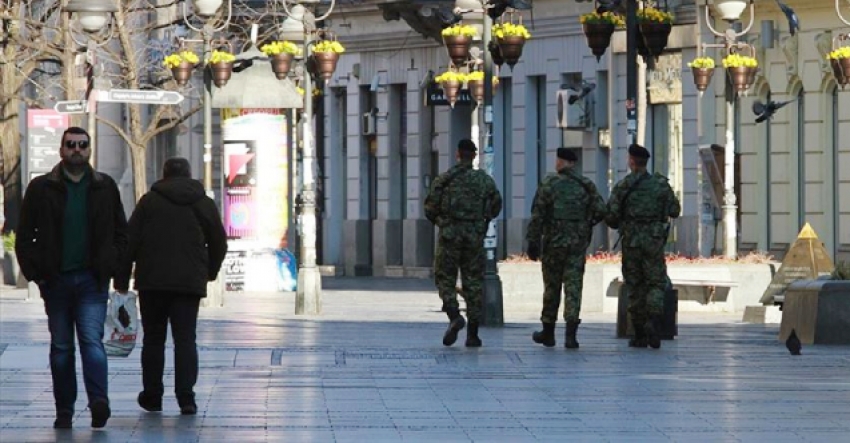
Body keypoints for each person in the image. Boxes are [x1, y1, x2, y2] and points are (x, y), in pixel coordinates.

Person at [15, 126, 127, 429]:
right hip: (56, 280)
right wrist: (36, 274)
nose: (77, 149)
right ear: (61, 149)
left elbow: (121, 232)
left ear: (89, 150)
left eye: (82, 145)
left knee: (92, 342)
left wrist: (115, 269)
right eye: (71, 145)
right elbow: (25, 236)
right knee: (62, 347)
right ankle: (64, 409)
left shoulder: (105, 186)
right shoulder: (41, 188)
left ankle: (99, 402)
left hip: (92, 280)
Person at [114, 158, 227, 415]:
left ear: (164, 176)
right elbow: (219, 242)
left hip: (152, 283)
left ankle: (152, 395)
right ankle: (186, 397)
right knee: (185, 339)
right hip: (189, 283)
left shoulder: (149, 202)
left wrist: (121, 279)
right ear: (189, 175)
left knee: (154, 340)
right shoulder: (203, 203)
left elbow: (130, 242)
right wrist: (209, 271)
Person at [525, 148, 606, 349]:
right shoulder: (586, 185)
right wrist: (585, 224)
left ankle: (548, 332)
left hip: (554, 244)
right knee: (573, 287)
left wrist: (533, 241)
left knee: (552, 287)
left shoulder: (549, 184)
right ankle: (571, 335)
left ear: (561, 162)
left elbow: (538, 215)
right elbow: (602, 211)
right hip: (577, 245)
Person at [424, 139, 502, 347]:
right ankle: (473, 334)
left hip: (450, 236)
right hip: (474, 237)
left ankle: (454, 315)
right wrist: (482, 220)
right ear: (474, 156)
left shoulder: (445, 180)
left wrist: (443, 223)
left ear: (458, 154)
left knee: (444, 278)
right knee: (473, 282)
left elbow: (429, 208)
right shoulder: (484, 181)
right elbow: (496, 204)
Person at [605, 144, 681, 349]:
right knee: (655, 283)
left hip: (632, 243)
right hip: (654, 242)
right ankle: (654, 325)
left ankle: (639, 333)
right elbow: (675, 210)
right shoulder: (660, 185)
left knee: (635, 285)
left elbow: (611, 218)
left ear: (631, 161)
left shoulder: (623, 186)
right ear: (646, 162)